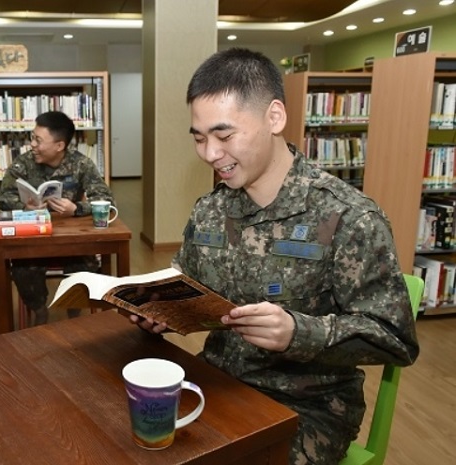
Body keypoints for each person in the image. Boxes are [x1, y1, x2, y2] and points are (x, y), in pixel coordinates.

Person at [131, 47, 420, 465]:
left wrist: (298, 333)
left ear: (274, 118)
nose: (210, 154)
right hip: (216, 383)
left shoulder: (349, 217)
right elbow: (186, 279)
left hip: (305, 407)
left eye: (224, 136)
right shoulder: (211, 209)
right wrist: (158, 306)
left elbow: (395, 339)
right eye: (199, 138)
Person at [0, 111, 114, 325]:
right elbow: (3, 198)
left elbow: (105, 199)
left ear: (59, 146)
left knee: (86, 265)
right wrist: (24, 205)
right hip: (34, 237)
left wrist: (76, 208)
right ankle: (39, 309)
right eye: (32, 137)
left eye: (38, 140)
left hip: (70, 238)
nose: (32, 144)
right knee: (22, 268)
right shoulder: (23, 163)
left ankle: (73, 311)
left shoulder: (81, 164)